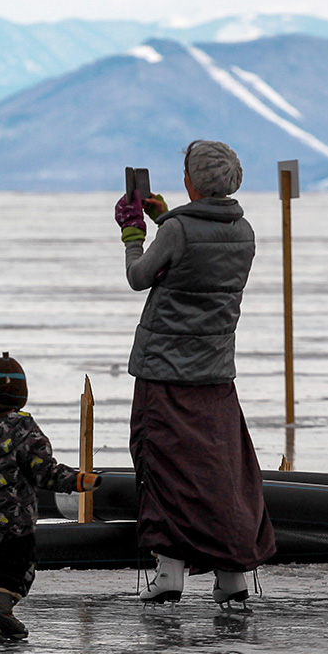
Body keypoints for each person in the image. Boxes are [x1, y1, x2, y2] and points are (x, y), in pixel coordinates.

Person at [115, 140, 277, 609]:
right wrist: (167, 215)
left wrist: (133, 233)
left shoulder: (178, 230)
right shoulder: (244, 231)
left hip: (163, 370)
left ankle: (169, 572)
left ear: (191, 181)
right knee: (221, 471)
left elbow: (140, 276)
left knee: (164, 466)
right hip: (215, 372)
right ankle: (231, 575)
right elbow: (196, 260)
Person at [0, 352, 101, 640]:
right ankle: (0, 614)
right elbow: (44, 472)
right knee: (16, 567)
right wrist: (78, 481)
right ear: (21, 398)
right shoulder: (25, 431)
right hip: (14, 522)